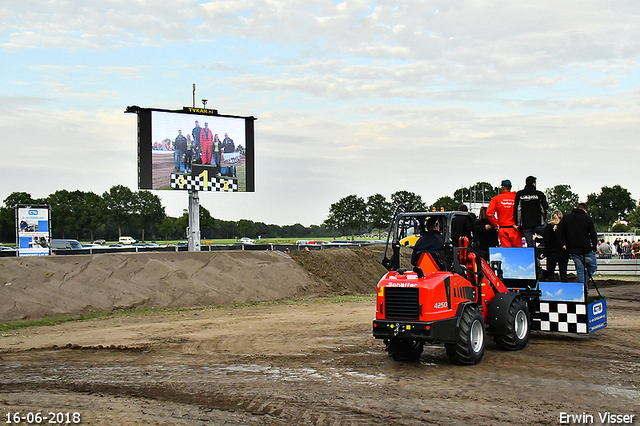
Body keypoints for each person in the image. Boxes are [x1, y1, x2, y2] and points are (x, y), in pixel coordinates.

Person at [557, 203, 598, 285]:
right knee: (593, 266)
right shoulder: (587, 218)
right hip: (585, 249)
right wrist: (594, 247)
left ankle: (582, 289)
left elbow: (559, 232)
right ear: (585, 210)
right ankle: (582, 285)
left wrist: (562, 244)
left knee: (580, 270)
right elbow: (593, 234)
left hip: (573, 249)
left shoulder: (567, 218)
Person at [514, 176, 548, 248]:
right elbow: (544, 209)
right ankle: (541, 253)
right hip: (539, 223)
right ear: (534, 184)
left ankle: (532, 258)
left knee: (530, 245)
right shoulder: (539, 194)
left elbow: (518, 209)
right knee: (549, 237)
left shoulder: (520, 194)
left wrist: (518, 223)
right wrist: (543, 220)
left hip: (526, 224)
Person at [486, 180, 522, 247]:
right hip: (515, 228)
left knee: (506, 252)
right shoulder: (517, 197)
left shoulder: (496, 199)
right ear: (510, 187)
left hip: (503, 228)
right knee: (518, 251)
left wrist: (496, 224)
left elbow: (489, 213)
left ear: (502, 187)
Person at [538, 210, 568, 282]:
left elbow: (547, 240)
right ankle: (565, 289)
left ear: (552, 217)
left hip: (552, 253)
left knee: (550, 273)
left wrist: (536, 239)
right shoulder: (565, 227)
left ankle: (555, 287)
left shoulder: (549, 227)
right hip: (563, 253)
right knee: (563, 273)